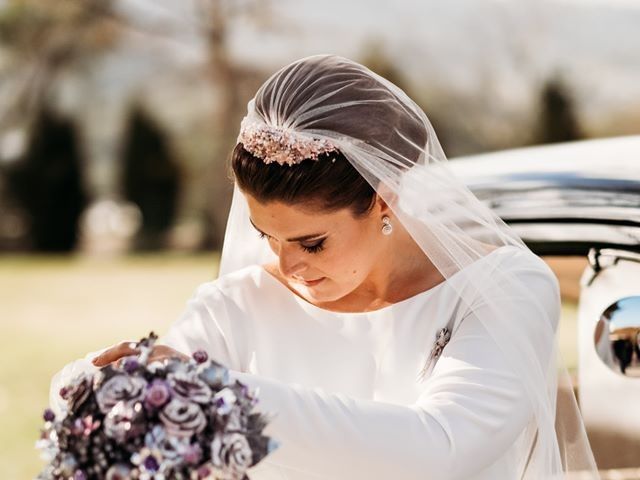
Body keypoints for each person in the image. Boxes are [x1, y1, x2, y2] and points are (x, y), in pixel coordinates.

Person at [53, 54, 600, 479]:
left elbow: (439, 450)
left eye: (312, 243)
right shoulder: (235, 305)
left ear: (384, 202)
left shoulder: (505, 289)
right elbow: (108, 401)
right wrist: (111, 382)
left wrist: (219, 395)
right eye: (267, 235)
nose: (286, 263)